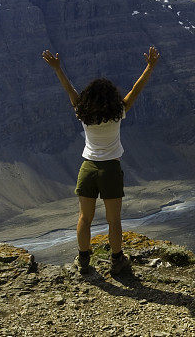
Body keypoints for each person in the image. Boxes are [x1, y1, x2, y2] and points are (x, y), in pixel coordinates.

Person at [42, 46, 160, 275]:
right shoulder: (119, 112)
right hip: (110, 169)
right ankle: (117, 261)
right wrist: (149, 67)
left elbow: (70, 90)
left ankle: (84, 260)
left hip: (88, 167)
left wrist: (57, 69)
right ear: (111, 96)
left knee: (85, 218)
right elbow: (136, 90)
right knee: (113, 220)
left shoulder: (82, 112)